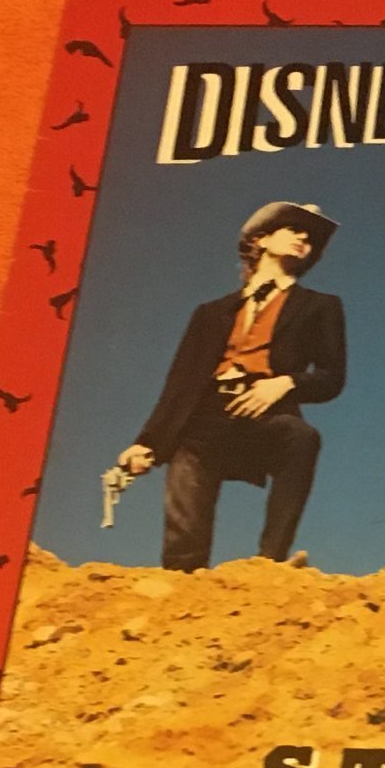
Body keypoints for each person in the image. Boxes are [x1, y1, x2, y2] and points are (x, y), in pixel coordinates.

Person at [114, 201, 346, 571]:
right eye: (294, 228)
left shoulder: (321, 306)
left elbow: (331, 377)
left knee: (301, 437)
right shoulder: (211, 313)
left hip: (266, 415)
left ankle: (270, 562)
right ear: (261, 239)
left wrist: (285, 383)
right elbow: (180, 384)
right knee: (186, 463)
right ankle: (183, 576)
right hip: (205, 417)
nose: (305, 238)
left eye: (312, 238)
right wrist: (148, 443)